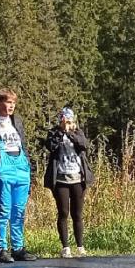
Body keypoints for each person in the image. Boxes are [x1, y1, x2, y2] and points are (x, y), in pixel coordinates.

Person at [0, 88, 37, 264]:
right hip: (3, 169)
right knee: (3, 211)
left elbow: (23, 145)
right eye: (8, 102)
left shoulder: (16, 121)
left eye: (13, 103)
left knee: (18, 211)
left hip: (20, 168)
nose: (11, 106)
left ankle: (18, 249)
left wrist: (28, 167)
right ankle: (1, 249)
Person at [44, 107, 92, 258]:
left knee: (77, 214)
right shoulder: (54, 133)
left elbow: (84, 145)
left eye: (70, 120)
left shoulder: (78, 132)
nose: (67, 122)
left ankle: (80, 246)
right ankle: (65, 247)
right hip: (60, 179)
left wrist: (70, 132)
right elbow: (51, 146)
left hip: (78, 178)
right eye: (64, 120)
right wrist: (61, 131)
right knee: (63, 212)